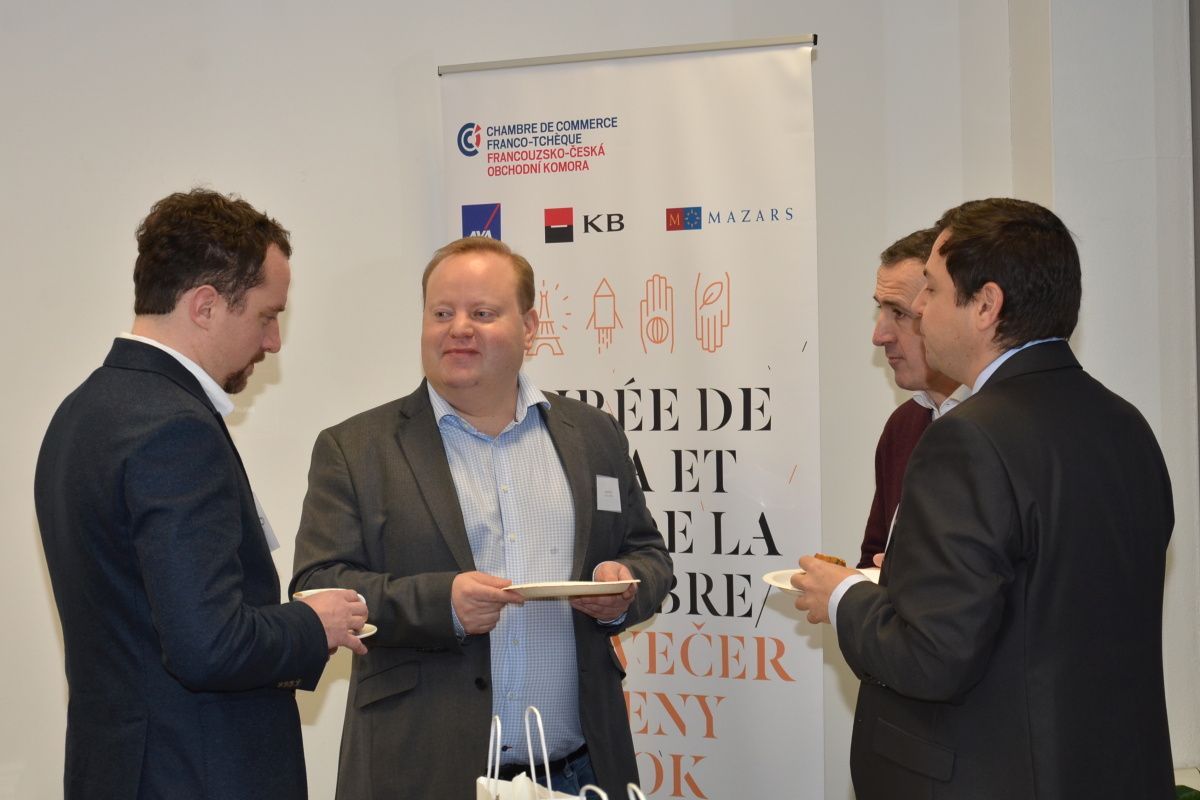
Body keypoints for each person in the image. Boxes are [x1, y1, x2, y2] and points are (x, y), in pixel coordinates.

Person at [794, 198, 1174, 799]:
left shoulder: (966, 438)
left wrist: (843, 596)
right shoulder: (1127, 425)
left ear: (986, 305)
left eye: (933, 289)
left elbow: (932, 656)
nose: (920, 308)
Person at [291, 236, 673, 799]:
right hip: (423, 773)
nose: (459, 329)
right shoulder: (356, 448)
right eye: (442, 313)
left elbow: (648, 554)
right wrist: (442, 604)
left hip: (581, 770)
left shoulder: (592, 435)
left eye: (483, 313)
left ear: (530, 326)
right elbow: (319, 586)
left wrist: (623, 587)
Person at [35, 189, 368, 800]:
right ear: (206, 305)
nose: (274, 342)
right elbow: (208, 646)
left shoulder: (78, 413)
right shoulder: (175, 428)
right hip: (196, 775)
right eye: (266, 316)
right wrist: (312, 624)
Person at [860, 228, 961, 567]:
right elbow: (874, 557)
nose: (879, 336)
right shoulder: (903, 425)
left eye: (899, 313)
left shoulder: (1002, 428)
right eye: (880, 310)